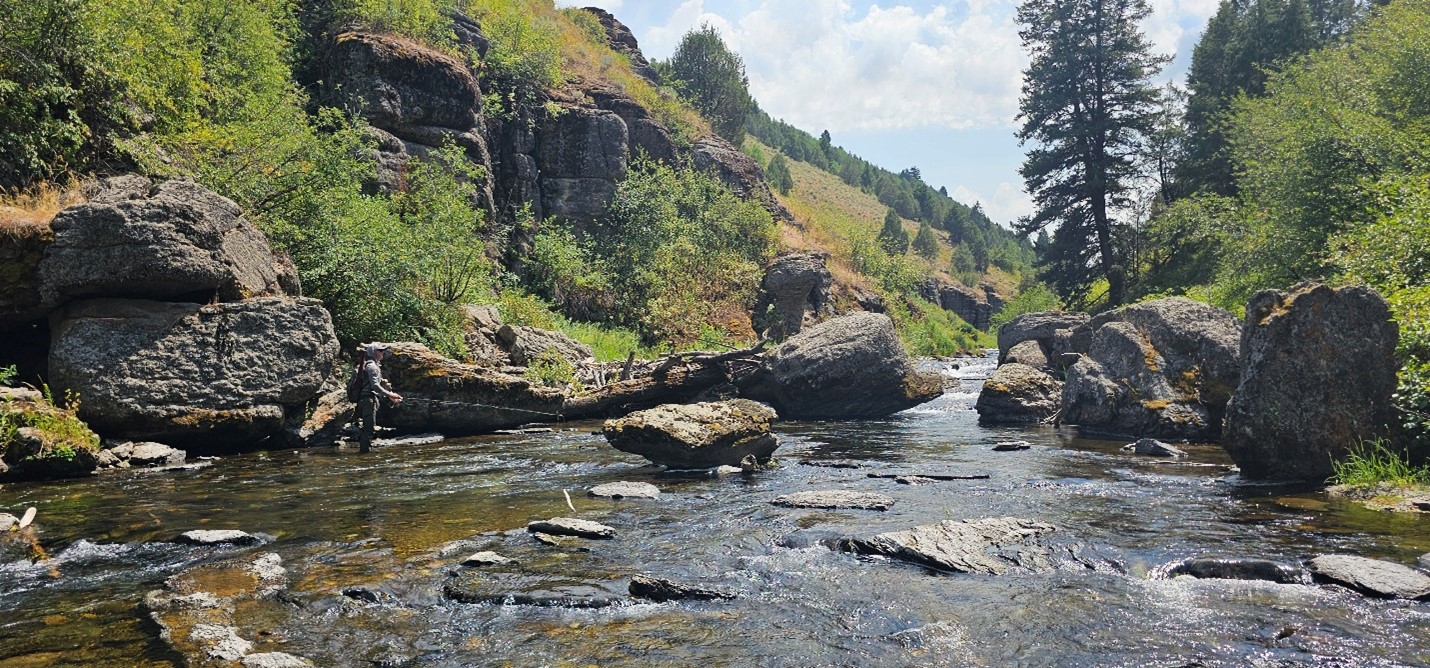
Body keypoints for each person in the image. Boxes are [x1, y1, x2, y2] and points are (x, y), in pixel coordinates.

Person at [356, 343, 403, 453]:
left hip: (368, 399)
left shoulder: (372, 365)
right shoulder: (372, 367)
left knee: (368, 428)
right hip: (368, 401)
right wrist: (391, 395)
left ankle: (365, 452)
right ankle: (364, 456)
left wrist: (389, 398)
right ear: (373, 352)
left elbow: (376, 388)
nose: (382, 352)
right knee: (369, 429)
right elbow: (375, 386)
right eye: (380, 350)